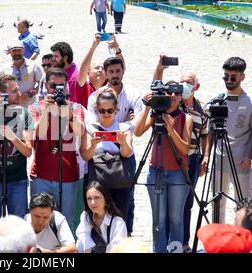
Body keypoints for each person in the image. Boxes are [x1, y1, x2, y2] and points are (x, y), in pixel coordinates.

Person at [153, 55, 208, 252]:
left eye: (188, 83)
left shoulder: (202, 109)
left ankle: (181, 244)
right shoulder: (174, 102)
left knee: (185, 206)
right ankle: (167, 244)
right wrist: (159, 69)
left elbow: (205, 135)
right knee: (166, 211)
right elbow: (157, 87)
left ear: (196, 87)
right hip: (169, 159)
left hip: (191, 158)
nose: (182, 88)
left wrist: (206, 157)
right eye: (181, 83)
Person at [135, 67, 193, 252]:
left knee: (176, 219)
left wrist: (170, 128)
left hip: (178, 173)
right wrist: (147, 108)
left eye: (177, 92)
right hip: (156, 170)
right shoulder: (156, 114)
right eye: (170, 92)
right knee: (158, 219)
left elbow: (184, 148)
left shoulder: (186, 118)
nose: (174, 96)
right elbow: (137, 132)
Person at [29, 68, 85, 231]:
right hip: (41, 175)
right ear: (46, 85)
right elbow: (37, 133)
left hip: (67, 175)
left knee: (66, 225)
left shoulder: (75, 108)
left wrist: (68, 114)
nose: (57, 89)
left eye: (61, 86)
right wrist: (47, 110)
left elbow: (80, 131)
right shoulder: (36, 108)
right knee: (39, 224)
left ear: (67, 86)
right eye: (53, 86)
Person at [0, 74, 34, 241]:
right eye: (14, 91)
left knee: (19, 230)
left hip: (17, 179)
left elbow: (27, 151)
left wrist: (12, 136)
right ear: (0, 95)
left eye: (18, 89)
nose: (19, 94)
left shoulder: (24, 114)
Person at [204, 57, 251, 224]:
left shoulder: (249, 102)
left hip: (241, 162)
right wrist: (206, 156)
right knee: (217, 204)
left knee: (243, 205)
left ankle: (243, 243)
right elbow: (210, 130)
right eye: (226, 76)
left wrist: (249, 157)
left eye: (233, 77)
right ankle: (219, 243)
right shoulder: (218, 100)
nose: (229, 80)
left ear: (242, 77)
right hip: (218, 161)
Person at [80, 91, 133, 220]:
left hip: (119, 182)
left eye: (110, 110)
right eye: (101, 110)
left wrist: (122, 143)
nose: (106, 114)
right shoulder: (90, 128)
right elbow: (85, 156)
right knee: (97, 218)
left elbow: (127, 153)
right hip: (97, 181)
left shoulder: (124, 128)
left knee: (120, 219)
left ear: (116, 109)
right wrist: (92, 146)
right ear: (96, 110)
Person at [76, 181, 127, 253]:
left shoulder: (118, 223)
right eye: (89, 198)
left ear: (106, 199)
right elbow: (83, 240)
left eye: (96, 197)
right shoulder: (86, 216)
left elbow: (116, 249)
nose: (92, 202)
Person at [77, 33, 123, 108]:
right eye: (97, 68)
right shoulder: (84, 88)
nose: (100, 70)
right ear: (88, 73)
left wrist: (117, 50)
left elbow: (120, 69)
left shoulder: (111, 86)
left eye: (103, 68)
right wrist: (93, 46)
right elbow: (83, 70)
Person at [1, 41, 43, 107]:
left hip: (29, 105)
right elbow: (1, 86)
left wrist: (30, 94)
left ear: (23, 51)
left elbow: (42, 84)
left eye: (19, 50)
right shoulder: (5, 68)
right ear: (10, 52)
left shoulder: (34, 65)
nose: (17, 53)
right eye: (14, 50)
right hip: (11, 105)